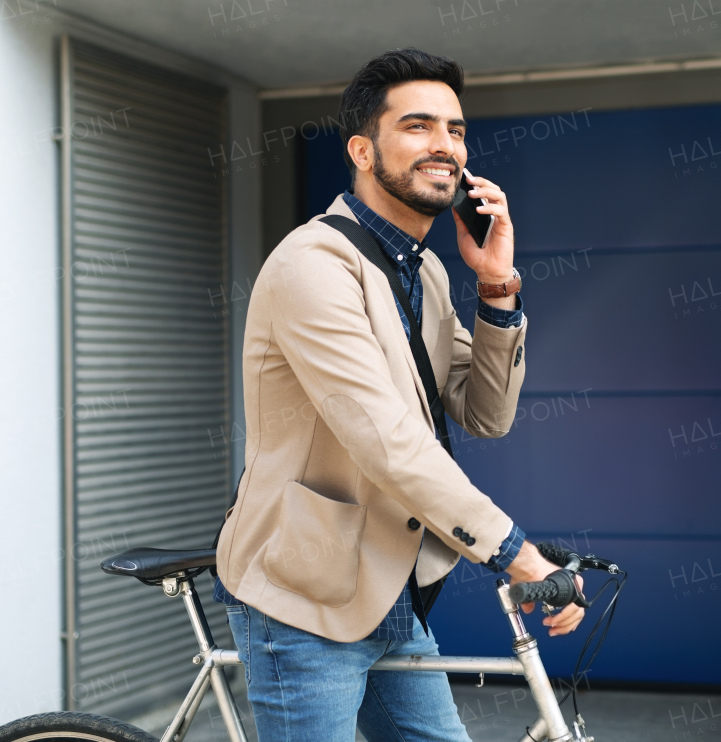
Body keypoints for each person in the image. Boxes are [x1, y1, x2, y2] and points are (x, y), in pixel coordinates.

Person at [213, 47, 584, 741]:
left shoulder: (429, 275)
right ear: (362, 149)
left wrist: (497, 285)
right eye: (418, 126)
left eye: (456, 130)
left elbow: (486, 413)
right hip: (302, 597)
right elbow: (386, 439)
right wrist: (514, 551)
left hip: (388, 591)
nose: (445, 145)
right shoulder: (312, 265)